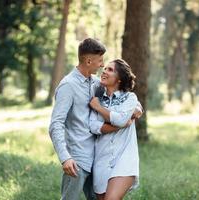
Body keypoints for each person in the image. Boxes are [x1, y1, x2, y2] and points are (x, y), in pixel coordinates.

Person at [49, 38, 142, 200]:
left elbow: (124, 94)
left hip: (97, 158)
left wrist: (138, 109)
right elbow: (56, 124)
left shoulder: (96, 83)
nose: (101, 65)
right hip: (77, 159)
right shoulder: (68, 85)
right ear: (88, 60)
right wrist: (65, 158)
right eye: (100, 61)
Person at [89, 59, 141, 200]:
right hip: (101, 158)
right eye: (105, 68)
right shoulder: (97, 98)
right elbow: (93, 126)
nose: (104, 71)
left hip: (125, 157)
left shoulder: (130, 98)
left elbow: (121, 120)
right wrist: (120, 124)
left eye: (110, 70)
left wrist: (99, 109)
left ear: (119, 79)